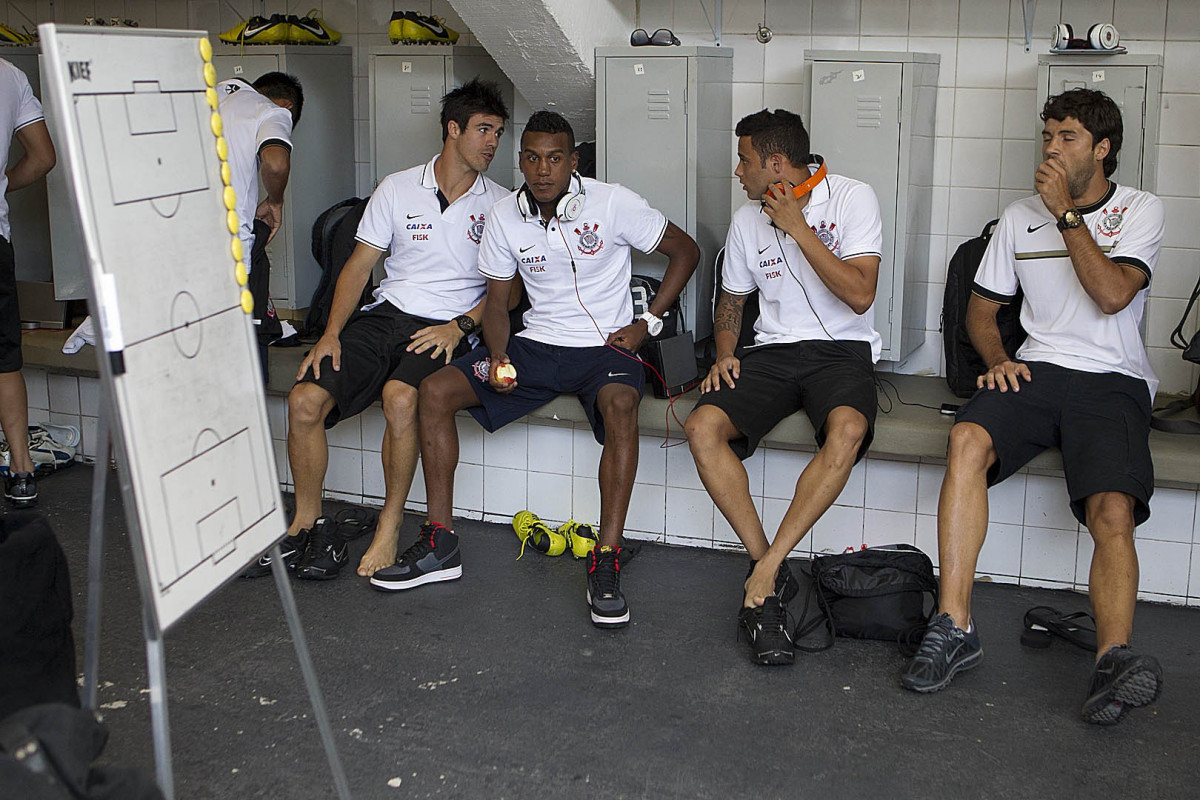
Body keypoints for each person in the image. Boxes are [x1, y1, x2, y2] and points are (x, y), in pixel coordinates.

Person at [901, 89, 1166, 725]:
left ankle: (1113, 659)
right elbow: (982, 309)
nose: (1051, 147)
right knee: (966, 439)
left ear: (1103, 148)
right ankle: (954, 624)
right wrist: (997, 359)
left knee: (1112, 507)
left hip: (1112, 378)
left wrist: (1067, 215)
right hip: (1038, 371)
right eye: (1047, 135)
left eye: (1068, 137)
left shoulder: (1139, 210)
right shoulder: (1019, 216)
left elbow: (1109, 296)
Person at [397, 111, 699, 629]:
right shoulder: (505, 217)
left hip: (606, 347)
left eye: (555, 158)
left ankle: (606, 559)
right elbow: (496, 302)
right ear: (521, 161)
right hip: (537, 345)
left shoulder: (611, 202)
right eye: (533, 158)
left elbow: (685, 252)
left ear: (573, 161)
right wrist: (498, 356)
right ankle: (440, 540)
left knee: (622, 405)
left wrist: (647, 323)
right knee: (435, 390)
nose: (543, 170)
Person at [246, 79, 511, 582]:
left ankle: (390, 523)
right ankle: (304, 524)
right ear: (452, 130)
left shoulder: (501, 203)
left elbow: (507, 291)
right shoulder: (396, 187)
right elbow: (357, 266)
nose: (492, 142)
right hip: (385, 314)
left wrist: (461, 327)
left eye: (497, 131)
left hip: (446, 326)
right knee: (304, 399)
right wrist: (329, 334)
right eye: (483, 129)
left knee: (400, 397)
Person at [684, 109, 883, 665]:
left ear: (775, 163)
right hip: (771, 354)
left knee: (846, 430)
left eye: (744, 160)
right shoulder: (747, 219)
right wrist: (725, 353)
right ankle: (764, 563)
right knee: (702, 427)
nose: (737, 171)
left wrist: (798, 227)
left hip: (842, 352)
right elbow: (732, 302)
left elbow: (861, 295)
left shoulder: (851, 198)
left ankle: (767, 574)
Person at [216, 71, 302, 376]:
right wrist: (274, 199)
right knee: (245, 372)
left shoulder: (197, 99)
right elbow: (276, 163)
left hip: (173, 250)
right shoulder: (270, 112)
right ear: (287, 107)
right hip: (229, 257)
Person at [1, 57, 55, 508]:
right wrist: (2, 185)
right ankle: (22, 470)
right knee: (4, 359)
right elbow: (42, 157)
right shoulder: (9, 74)